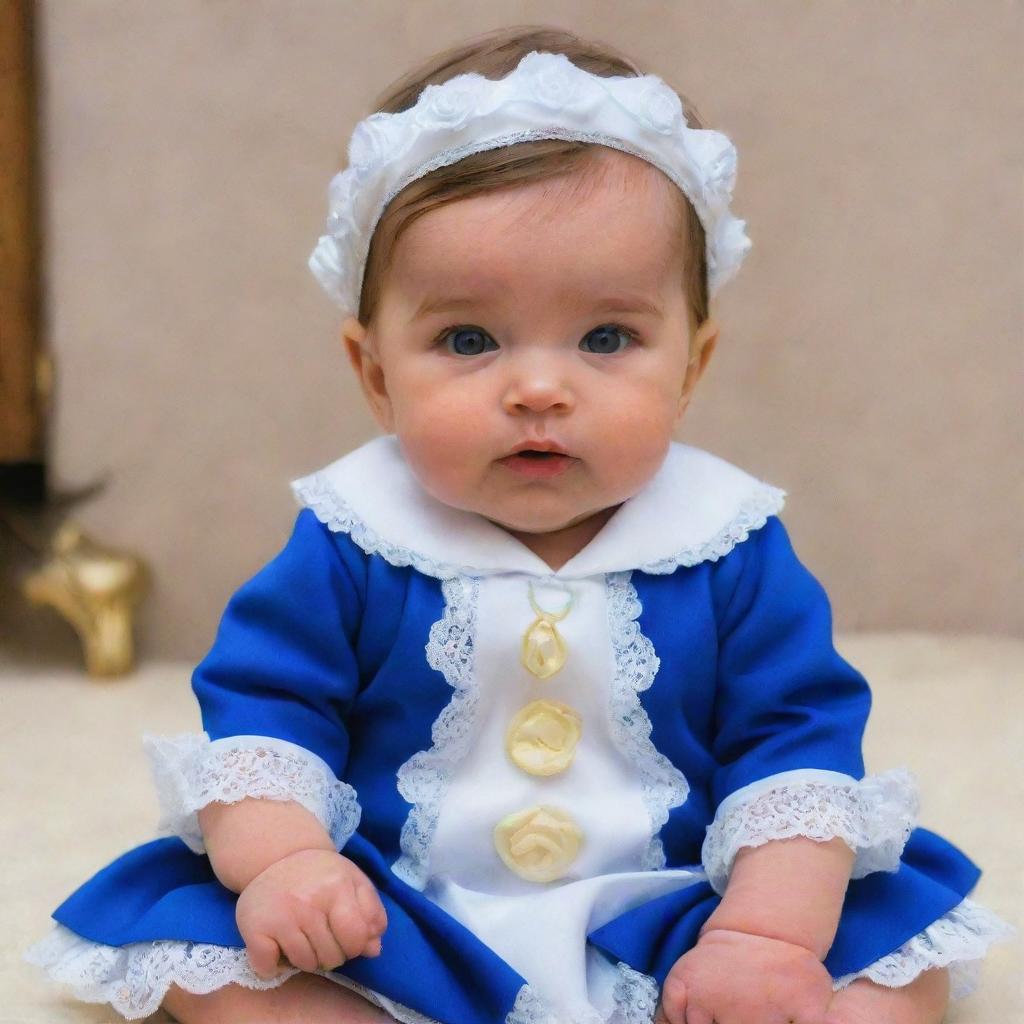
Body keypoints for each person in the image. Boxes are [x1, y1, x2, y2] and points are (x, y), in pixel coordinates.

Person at [23, 25, 1015, 1024]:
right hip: (396, 903)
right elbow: (265, 720)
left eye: (605, 337)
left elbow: (793, 747)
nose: (538, 388)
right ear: (374, 373)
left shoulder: (728, 545)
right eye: (467, 339)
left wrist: (763, 936)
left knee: (892, 970)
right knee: (215, 959)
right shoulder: (352, 538)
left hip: (682, 903)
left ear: (691, 363)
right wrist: (288, 863)